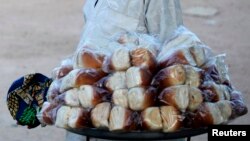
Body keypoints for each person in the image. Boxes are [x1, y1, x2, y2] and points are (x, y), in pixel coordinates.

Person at [6, 0, 184, 141]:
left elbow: (171, 61)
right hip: (86, 124)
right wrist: (56, 97)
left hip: (125, 128)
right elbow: (94, 54)